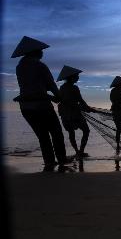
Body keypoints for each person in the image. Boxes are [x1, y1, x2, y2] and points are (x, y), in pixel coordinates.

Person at [11, 36, 72, 167]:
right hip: (41, 105)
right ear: (33, 51)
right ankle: (62, 159)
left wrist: (54, 96)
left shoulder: (19, 66)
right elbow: (50, 84)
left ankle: (49, 161)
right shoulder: (39, 65)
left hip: (26, 107)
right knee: (56, 133)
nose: (42, 53)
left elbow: (34, 85)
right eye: (40, 51)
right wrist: (59, 98)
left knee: (42, 135)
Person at [56, 65, 93, 157]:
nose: (77, 78)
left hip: (64, 114)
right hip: (74, 113)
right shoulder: (74, 88)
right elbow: (80, 100)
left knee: (71, 133)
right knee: (86, 131)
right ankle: (81, 151)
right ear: (72, 77)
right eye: (76, 76)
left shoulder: (62, 88)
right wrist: (88, 108)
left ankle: (77, 151)